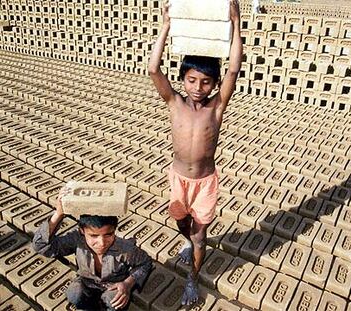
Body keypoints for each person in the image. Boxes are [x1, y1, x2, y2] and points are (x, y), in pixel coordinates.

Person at [148, 0, 242, 306]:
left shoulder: (216, 108)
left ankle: (192, 278)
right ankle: (188, 240)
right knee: (181, 221)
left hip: (204, 182)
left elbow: (233, 69)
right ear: (182, 79)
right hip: (178, 179)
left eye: (205, 82)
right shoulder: (174, 103)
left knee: (202, 236)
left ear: (214, 84)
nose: (198, 87)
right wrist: (165, 25)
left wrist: (236, 23)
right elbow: (152, 68)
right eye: (191, 80)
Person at [32, 187, 152, 310]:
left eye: (108, 235)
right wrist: (58, 214)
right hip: (87, 283)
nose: (101, 243)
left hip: (112, 286)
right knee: (74, 293)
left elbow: (145, 263)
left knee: (114, 301)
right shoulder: (76, 239)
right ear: (82, 231)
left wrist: (127, 284)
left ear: (114, 230)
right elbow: (41, 246)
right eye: (94, 236)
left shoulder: (125, 248)